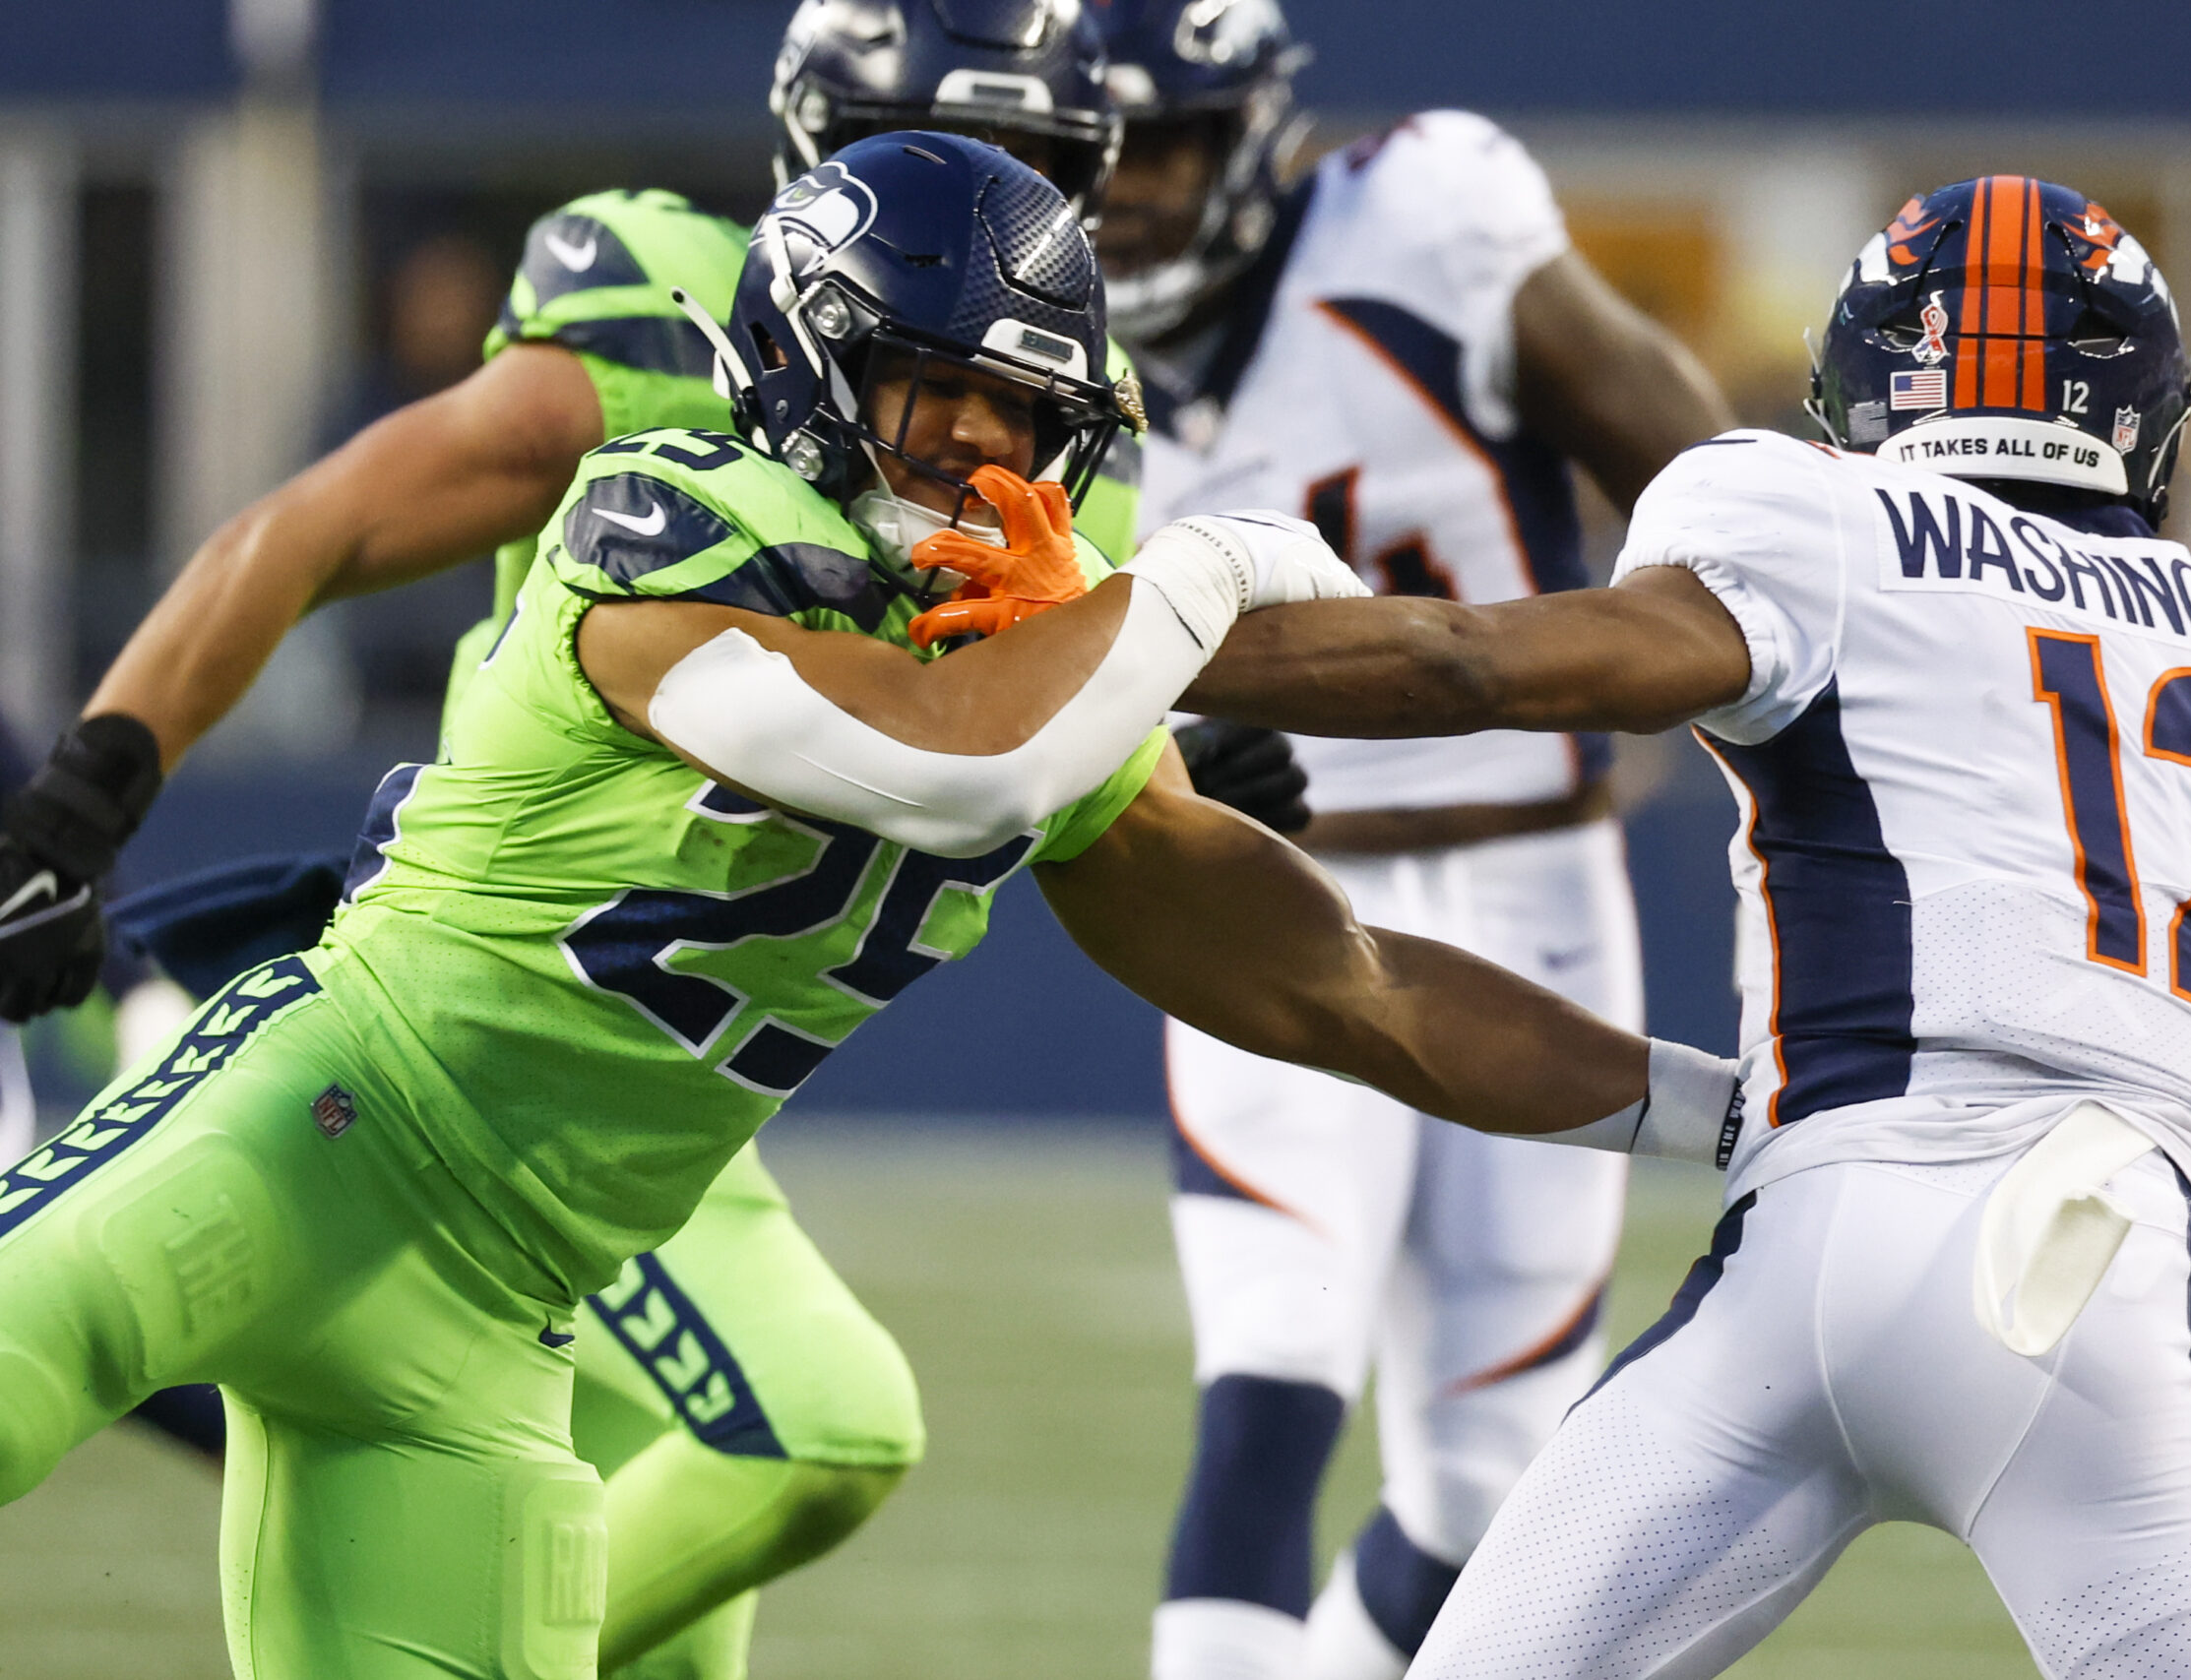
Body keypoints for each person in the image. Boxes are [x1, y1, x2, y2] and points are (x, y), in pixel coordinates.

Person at [0, 139, 1742, 1680]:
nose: (983, 444)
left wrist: (1739, 1113)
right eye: (931, 384)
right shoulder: (669, 516)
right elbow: (947, 765)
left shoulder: (1035, 687)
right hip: (305, 1128)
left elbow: (1357, 997)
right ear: (812, 364)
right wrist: (1200, 577)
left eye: (1027, 411)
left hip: (501, 1318)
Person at [0, 5, 1281, 1674]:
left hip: (669, 1073)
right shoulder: (660, 315)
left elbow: (1063, 725)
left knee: (675, 1478)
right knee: (811, 1425)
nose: (1014, 219)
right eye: (986, 157)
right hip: (491, 978)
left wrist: (1177, 703)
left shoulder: (1054, 442)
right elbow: (324, 523)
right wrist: (86, 794)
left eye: (1053, 171)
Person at [1177, 175, 2191, 1675]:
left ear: (1858, 383)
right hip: (2087, 1274)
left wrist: (1147, 644)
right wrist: (2146, 1205)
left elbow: (1471, 666)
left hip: (1796, 1265)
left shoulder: (1808, 516)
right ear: (2150, 411)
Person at [1081, 8, 1734, 1676]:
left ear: (1254, 133)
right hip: (1269, 898)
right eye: (1105, 143)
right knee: (1271, 1400)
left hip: (1535, 878)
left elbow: (1710, 486)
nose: (1133, 187)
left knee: (1494, 1478)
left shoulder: (1426, 217)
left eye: (1171, 140)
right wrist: (1149, 736)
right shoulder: (1030, 342)